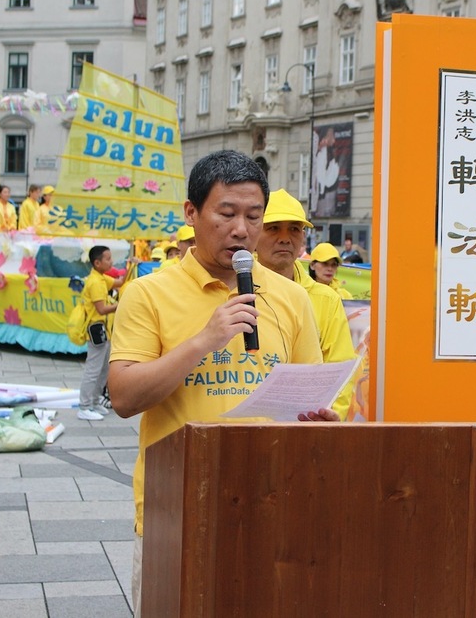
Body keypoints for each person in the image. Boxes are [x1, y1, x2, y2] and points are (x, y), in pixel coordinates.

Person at [107, 150, 335, 616]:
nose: (241, 230)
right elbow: (124, 396)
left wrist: (319, 418)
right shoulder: (147, 293)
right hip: (179, 508)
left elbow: (306, 392)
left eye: (254, 217)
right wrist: (203, 341)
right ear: (191, 213)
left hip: (271, 507)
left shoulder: (291, 298)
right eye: (226, 213)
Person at [255, 189, 357, 419]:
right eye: (273, 228)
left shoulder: (326, 299)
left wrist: (326, 418)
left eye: (294, 229)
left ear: (303, 237)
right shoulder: (231, 287)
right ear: (253, 233)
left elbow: (340, 369)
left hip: (304, 427)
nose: (284, 237)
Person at [77, 246, 117, 421]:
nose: (111, 261)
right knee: (93, 370)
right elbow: (101, 309)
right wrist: (120, 305)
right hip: (97, 331)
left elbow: (120, 283)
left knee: (103, 369)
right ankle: (84, 406)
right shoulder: (94, 282)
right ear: (97, 262)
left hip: (105, 331)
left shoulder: (101, 278)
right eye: (107, 259)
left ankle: (94, 402)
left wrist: (132, 266)